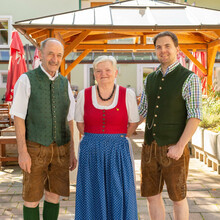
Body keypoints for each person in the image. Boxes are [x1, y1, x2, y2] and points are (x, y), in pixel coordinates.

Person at [10, 38, 77, 220]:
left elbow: (69, 119)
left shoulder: (65, 83)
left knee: (54, 196)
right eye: (51, 54)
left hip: (61, 149)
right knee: (31, 198)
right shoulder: (26, 79)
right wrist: (22, 152)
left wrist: (71, 151)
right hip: (35, 148)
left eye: (59, 55)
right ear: (41, 53)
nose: (55, 59)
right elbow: (18, 117)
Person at [138, 31, 202, 220]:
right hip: (149, 147)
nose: (163, 50)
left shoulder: (189, 78)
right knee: (151, 196)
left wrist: (181, 146)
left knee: (178, 198)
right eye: (159, 47)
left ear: (177, 49)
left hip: (174, 148)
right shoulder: (150, 78)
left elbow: (195, 115)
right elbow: (142, 112)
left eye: (167, 46)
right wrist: (122, 133)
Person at [74, 55, 139, 219]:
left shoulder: (127, 94)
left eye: (108, 70)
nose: (104, 74)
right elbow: (80, 123)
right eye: (98, 71)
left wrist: (117, 139)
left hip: (118, 150)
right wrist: (94, 139)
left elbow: (133, 123)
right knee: (92, 191)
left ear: (116, 72)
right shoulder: (84, 94)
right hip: (91, 151)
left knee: (117, 190)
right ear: (94, 74)